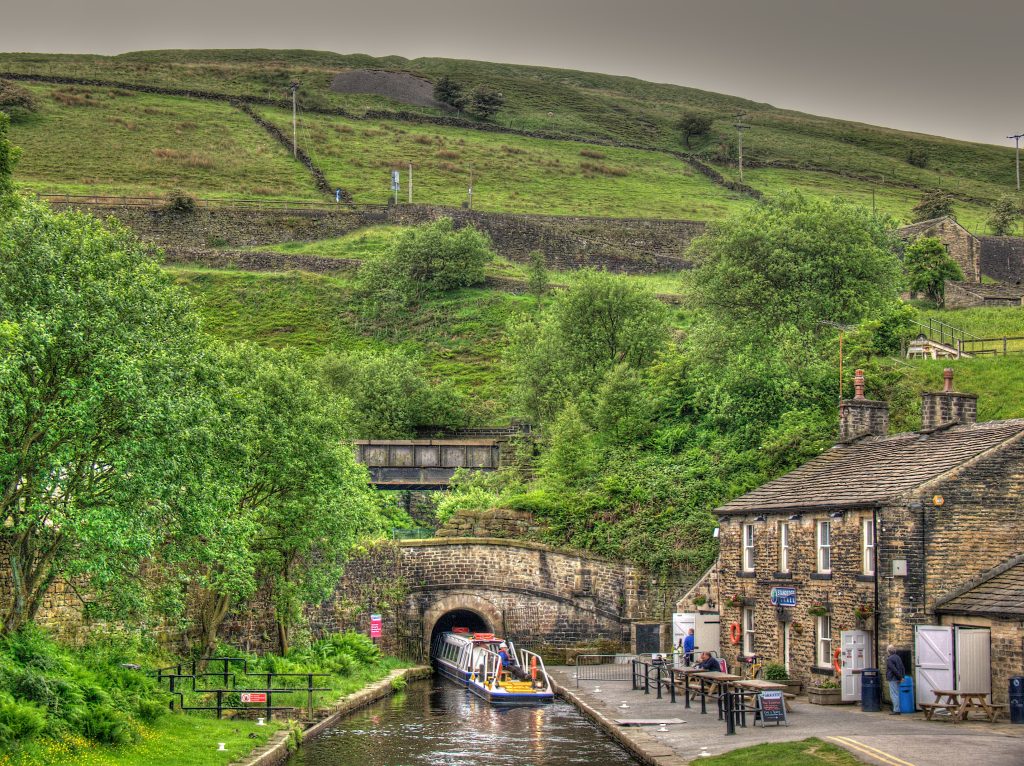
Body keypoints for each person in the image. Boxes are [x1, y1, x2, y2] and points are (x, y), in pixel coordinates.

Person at [886, 644, 906, 715]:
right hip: (898, 678)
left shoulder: (889, 659)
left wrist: (900, 677)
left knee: (894, 694)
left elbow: (893, 670)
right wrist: (902, 677)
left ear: (888, 651)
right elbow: (902, 667)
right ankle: (895, 707)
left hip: (893, 678)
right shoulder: (898, 657)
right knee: (896, 693)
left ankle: (896, 710)